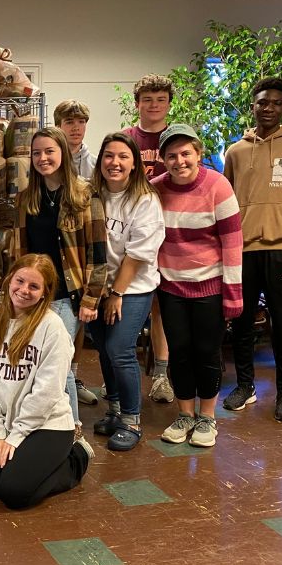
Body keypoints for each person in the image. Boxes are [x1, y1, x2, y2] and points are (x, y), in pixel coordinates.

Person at [0, 254, 92, 509]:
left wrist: (15, 437)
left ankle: (76, 457)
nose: (24, 290)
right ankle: (30, 462)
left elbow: (45, 394)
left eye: (34, 286)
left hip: (47, 423)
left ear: (45, 292)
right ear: (9, 280)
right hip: (7, 421)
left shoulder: (52, 328)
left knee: (14, 493)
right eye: (20, 281)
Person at [14, 126, 108, 438]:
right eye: (37, 153)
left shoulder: (84, 195)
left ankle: (73, 429)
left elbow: (98, 252)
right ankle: (42, 424)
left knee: (58, 362)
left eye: (49, 151)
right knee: (35, 360)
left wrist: (91, 299)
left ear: (63, 154)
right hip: (32, 294)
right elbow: (20, 250)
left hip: (68, 296)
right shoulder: (26, 198)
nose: (43, 158)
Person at [153, 124, 243, 447]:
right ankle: (185, 414)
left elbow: (233, 244)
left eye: (186, 154)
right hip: (171, 288)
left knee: (206, 352)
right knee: (179, 353)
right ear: (163, 159)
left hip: (210, 288)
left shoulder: (218, 186)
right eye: (172, 156)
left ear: (198, 154)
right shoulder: (155, 189)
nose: (179, 161)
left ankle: (207, 418)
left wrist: (233, 294)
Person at [223, 77, 282, 422]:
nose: (268, 108)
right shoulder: (236, 150)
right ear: (253, 106)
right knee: (242, 324)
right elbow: (224, 203)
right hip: (243, 251)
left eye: (275, 102)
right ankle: (245, 386)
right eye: (262, 102)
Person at [89, 132, 165, 451]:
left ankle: (132, 420)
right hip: (97, 287)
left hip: (132, 288)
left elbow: (137, 255)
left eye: (123, 156)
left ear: (135, 163)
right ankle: (116, 410)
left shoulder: (144, 200)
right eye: (109, 156)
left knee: (120, 349)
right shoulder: (93, 195)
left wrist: (117, 294)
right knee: (104, 348)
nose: (115, 162)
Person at [124, 73, 175, 405]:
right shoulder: (127, 138)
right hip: (134, 231)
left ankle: (161, 375)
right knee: (130, 300)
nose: (154, 106)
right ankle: (121, 371)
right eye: (148, 100)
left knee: (162, 306)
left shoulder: (177, 137)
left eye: (160, 100)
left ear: (169, 104)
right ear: (137, 103)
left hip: (172, 232)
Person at [54, 99, 98, 407]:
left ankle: (74, 375)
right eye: (70, 122)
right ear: (59, 125)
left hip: (79, 247)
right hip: (54, 248)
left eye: (80, 122)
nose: (76, 128)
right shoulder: (50, 156)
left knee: (76, 318)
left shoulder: (92, 163)